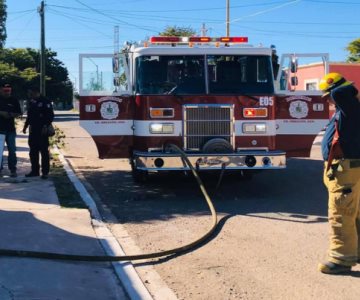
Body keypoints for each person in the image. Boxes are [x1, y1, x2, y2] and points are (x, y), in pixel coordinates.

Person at [318, 72, 360, 274]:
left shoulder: (349, 105)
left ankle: (341, 259)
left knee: (341, 215)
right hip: (346, 170)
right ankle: (356, 252)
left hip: (346, 171)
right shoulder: (349, 109)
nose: (328, 100)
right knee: (354, 215)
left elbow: (344, 91)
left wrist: (339, 87)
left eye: (328, 96)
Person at [22, 86, 54, 179]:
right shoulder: (32, 102)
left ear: (36, 92)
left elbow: (50, 115)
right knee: (33, 151)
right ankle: (35, 171)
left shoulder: (45, 101)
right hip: (33, 130)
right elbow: (29, 116)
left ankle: (45, 172)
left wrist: (45, 125)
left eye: (31, 93)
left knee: (44, 151)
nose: (30, 95)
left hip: (42, 130)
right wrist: (25, 126)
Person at [0, 83, 22, 177]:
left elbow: (19, 113)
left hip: (10, 129)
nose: (7, 92)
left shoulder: (14, 100)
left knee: (12, 150)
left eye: (9, 90)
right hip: (0, 130)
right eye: (5, 90)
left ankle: (13, 170)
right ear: (0, 90)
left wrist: (11, 114)